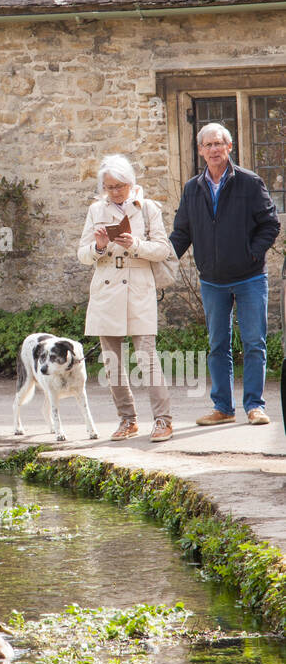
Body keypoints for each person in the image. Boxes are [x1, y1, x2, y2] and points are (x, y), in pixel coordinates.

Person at [170, 123, 280, 426]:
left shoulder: (249, 182)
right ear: (201, 150)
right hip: (212, 281)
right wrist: (162, 261)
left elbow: (270, 224)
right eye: (208, 145)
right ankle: (223, 408)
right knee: (218, 345)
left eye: (219, 143)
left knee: (254, 343)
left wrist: (252, 254)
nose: (214, 149)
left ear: (229, 147)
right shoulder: (193, 188)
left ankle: (255, 406)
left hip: (249, 278)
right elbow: (181, 233)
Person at [78, 155, 174, 441]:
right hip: (106, 291)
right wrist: (98, 245)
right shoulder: (96, 210)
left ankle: (163, 420)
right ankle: (127, 420)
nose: (115, 192)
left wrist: (136, 245)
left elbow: (163, 250)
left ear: (131, 184)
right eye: (109, 187)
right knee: (112, 363)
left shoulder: (148, 209)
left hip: (138, 287)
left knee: (147, 357)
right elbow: (82, 255)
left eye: (120, 186)